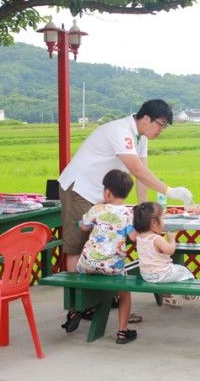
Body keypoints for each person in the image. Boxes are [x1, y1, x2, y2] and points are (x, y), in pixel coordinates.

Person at [58, 99, 193, 324]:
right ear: (146, 118)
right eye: (161, 124)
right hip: (80, 188)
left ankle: (98, 299)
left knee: (107, 245)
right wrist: (170, 190)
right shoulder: (120, 131)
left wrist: (143, 210)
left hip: (102, 195)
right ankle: (77, 305)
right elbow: (136, 170)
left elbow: (143, 173)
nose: (161, 130)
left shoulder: (142, 138)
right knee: (78, 244)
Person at [72, 169, 139, 344]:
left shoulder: (97, 209)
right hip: (112, 267)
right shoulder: (128, 213)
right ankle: (122, 332)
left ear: (107, 192)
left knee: (81, 274)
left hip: (86, 264)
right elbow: (133, 238)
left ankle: (76, 310)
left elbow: (84, 227)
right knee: (125, 293)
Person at [133, 202, 198, 308]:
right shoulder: (156, 238)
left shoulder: (140, 237)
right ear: (154, 223)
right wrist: (172, 239)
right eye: (162, 219)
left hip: (146, 275)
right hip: (161, 274)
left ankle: (167, 296)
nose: (164, 222)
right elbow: (170, 250)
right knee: (184, 271)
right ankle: (189, 293)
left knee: (170, 270)